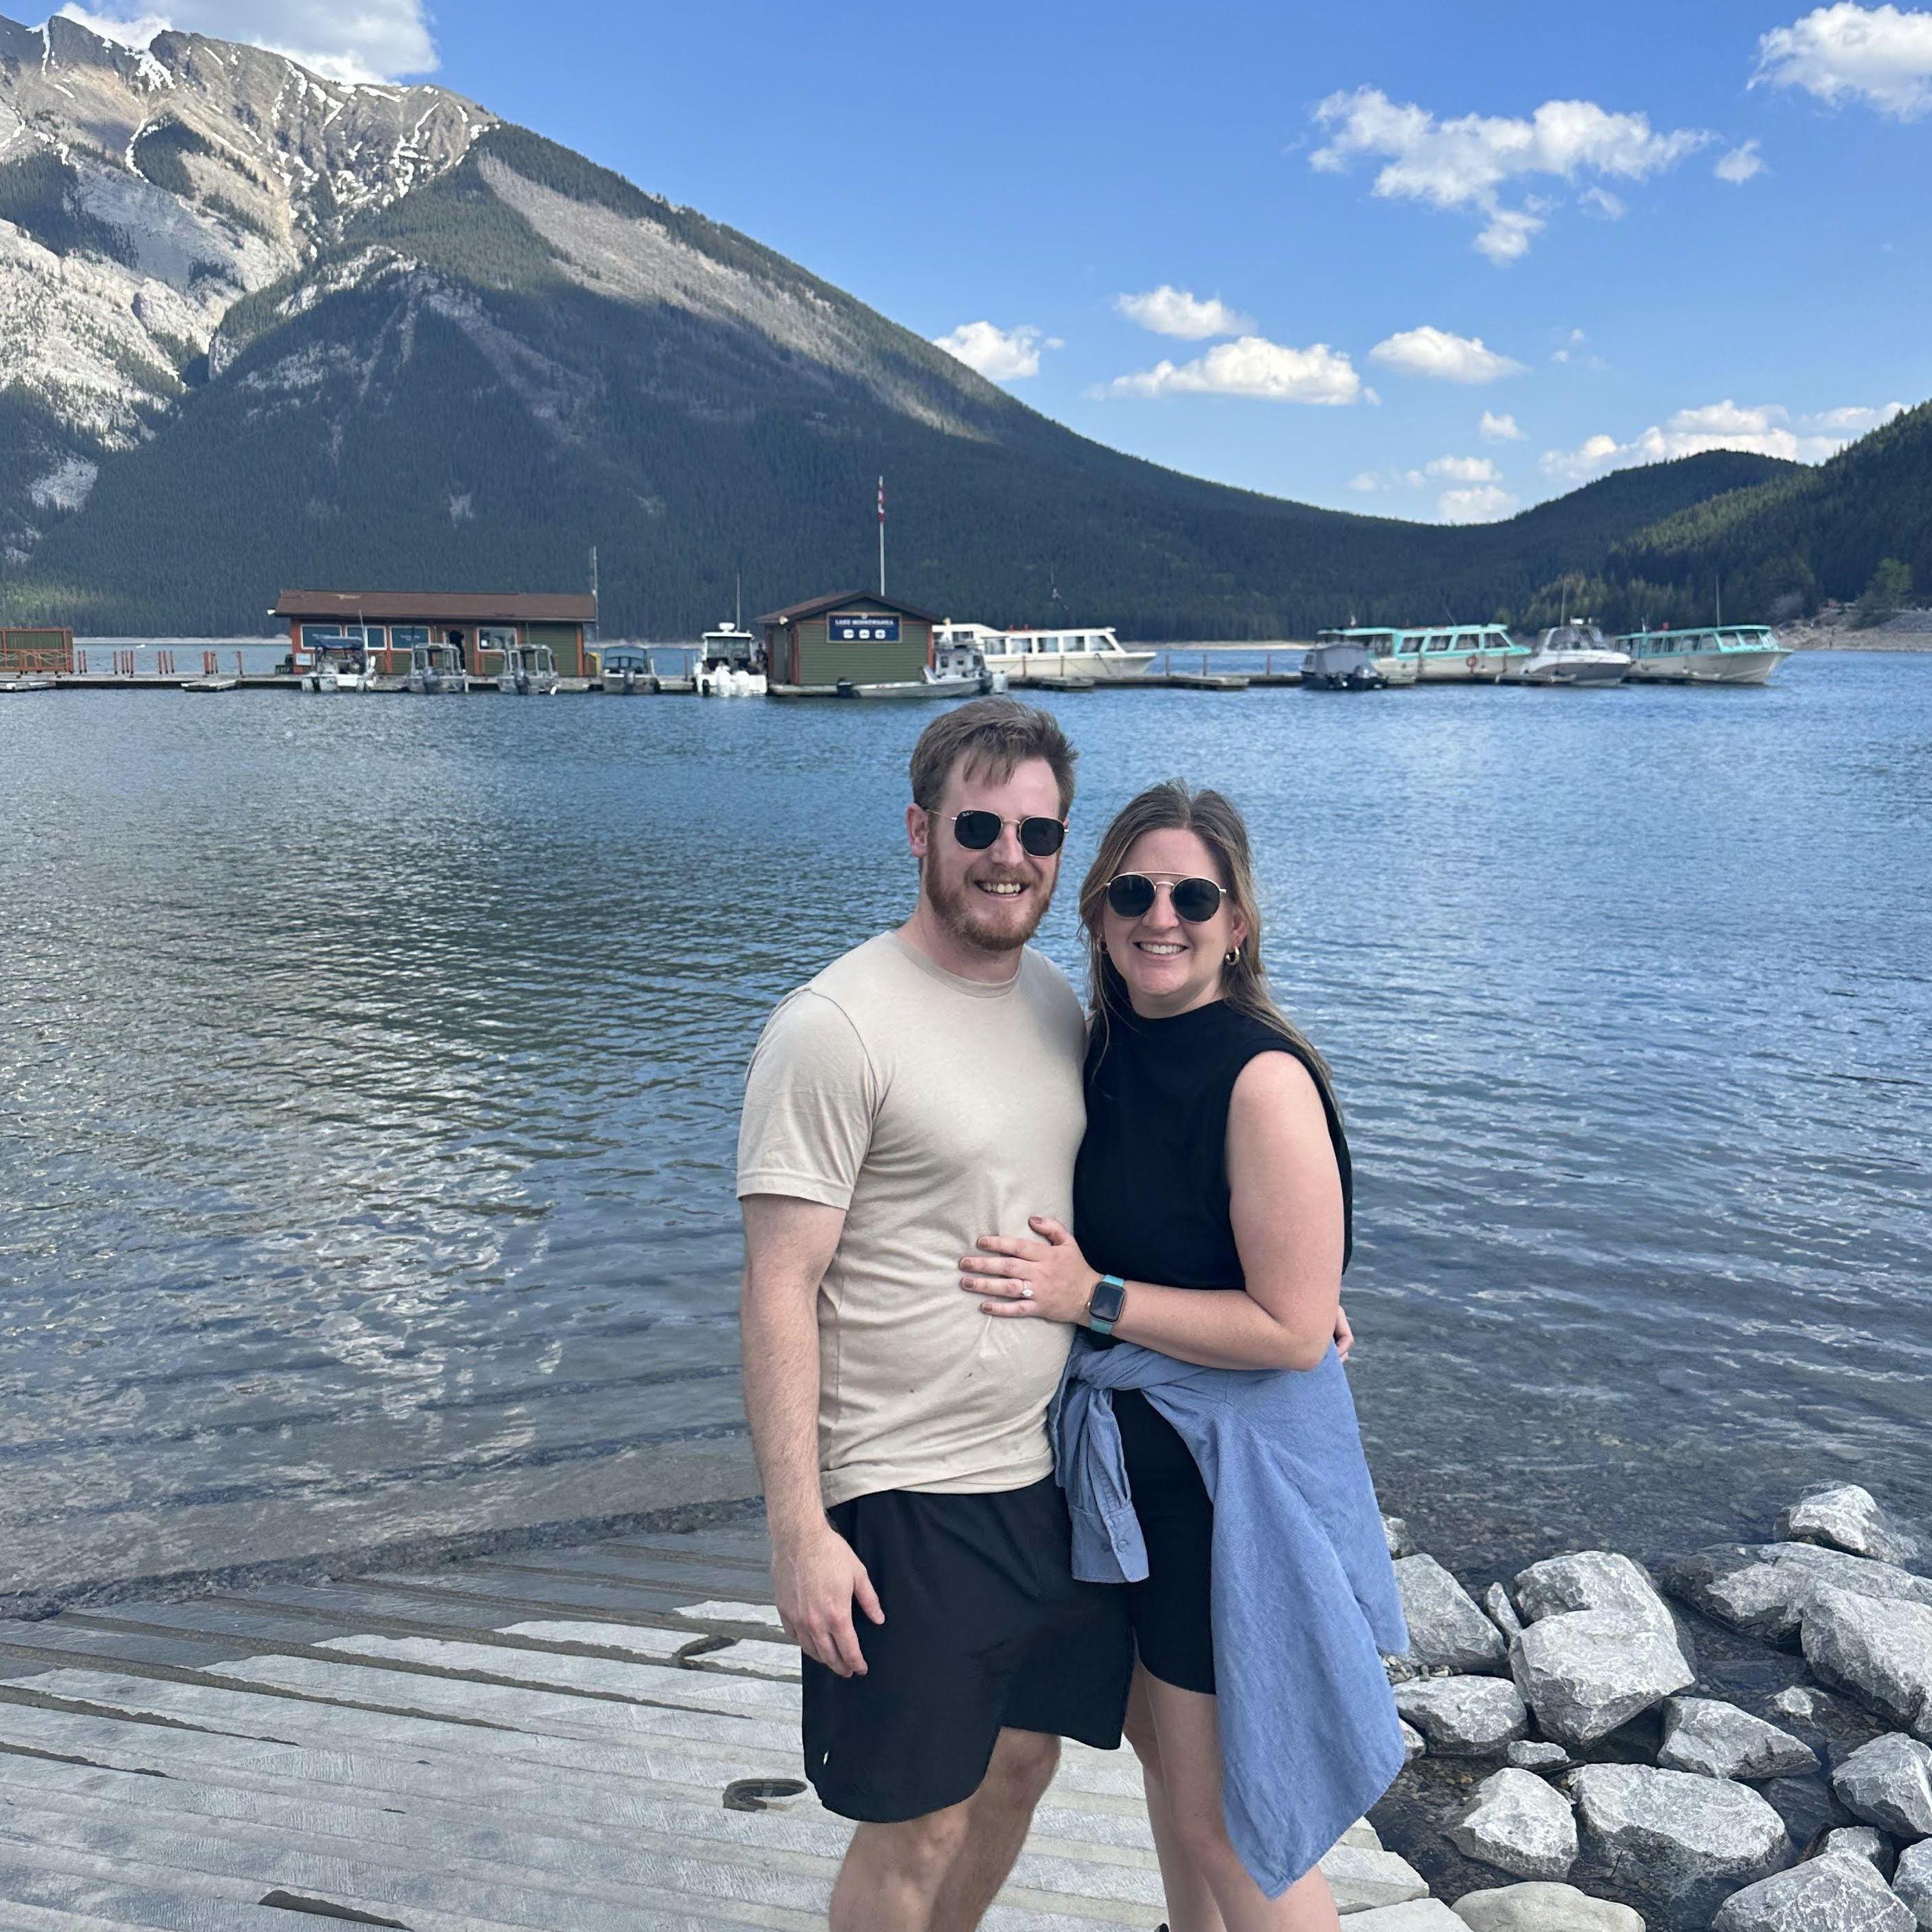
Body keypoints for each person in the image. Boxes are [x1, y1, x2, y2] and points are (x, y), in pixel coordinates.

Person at [959, 780, 1408, 1932]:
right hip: (1138, 1486)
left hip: (1221, 1496)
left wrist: (1092, 1299)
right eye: (1136, 893)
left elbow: (1295, 1329)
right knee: (1170, 1767)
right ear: (1100, 916)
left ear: (1238, 923)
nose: (1165, 917)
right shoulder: (1101, 1049)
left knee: (1234, 1827)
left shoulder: (1259, 1080)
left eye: (1194, 896)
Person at [736, 699, 1133, 1932]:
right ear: (920, 831)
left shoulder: (1060, 1006)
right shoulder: (834, 1026)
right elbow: (775, 1287)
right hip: (903, 1491)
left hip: (1043, 1478)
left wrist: (1287, 1305)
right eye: (978, 824)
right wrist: (801, 1530)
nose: (1007, 854)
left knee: (1022, 1767)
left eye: (1037, 831)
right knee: (917, 1824)